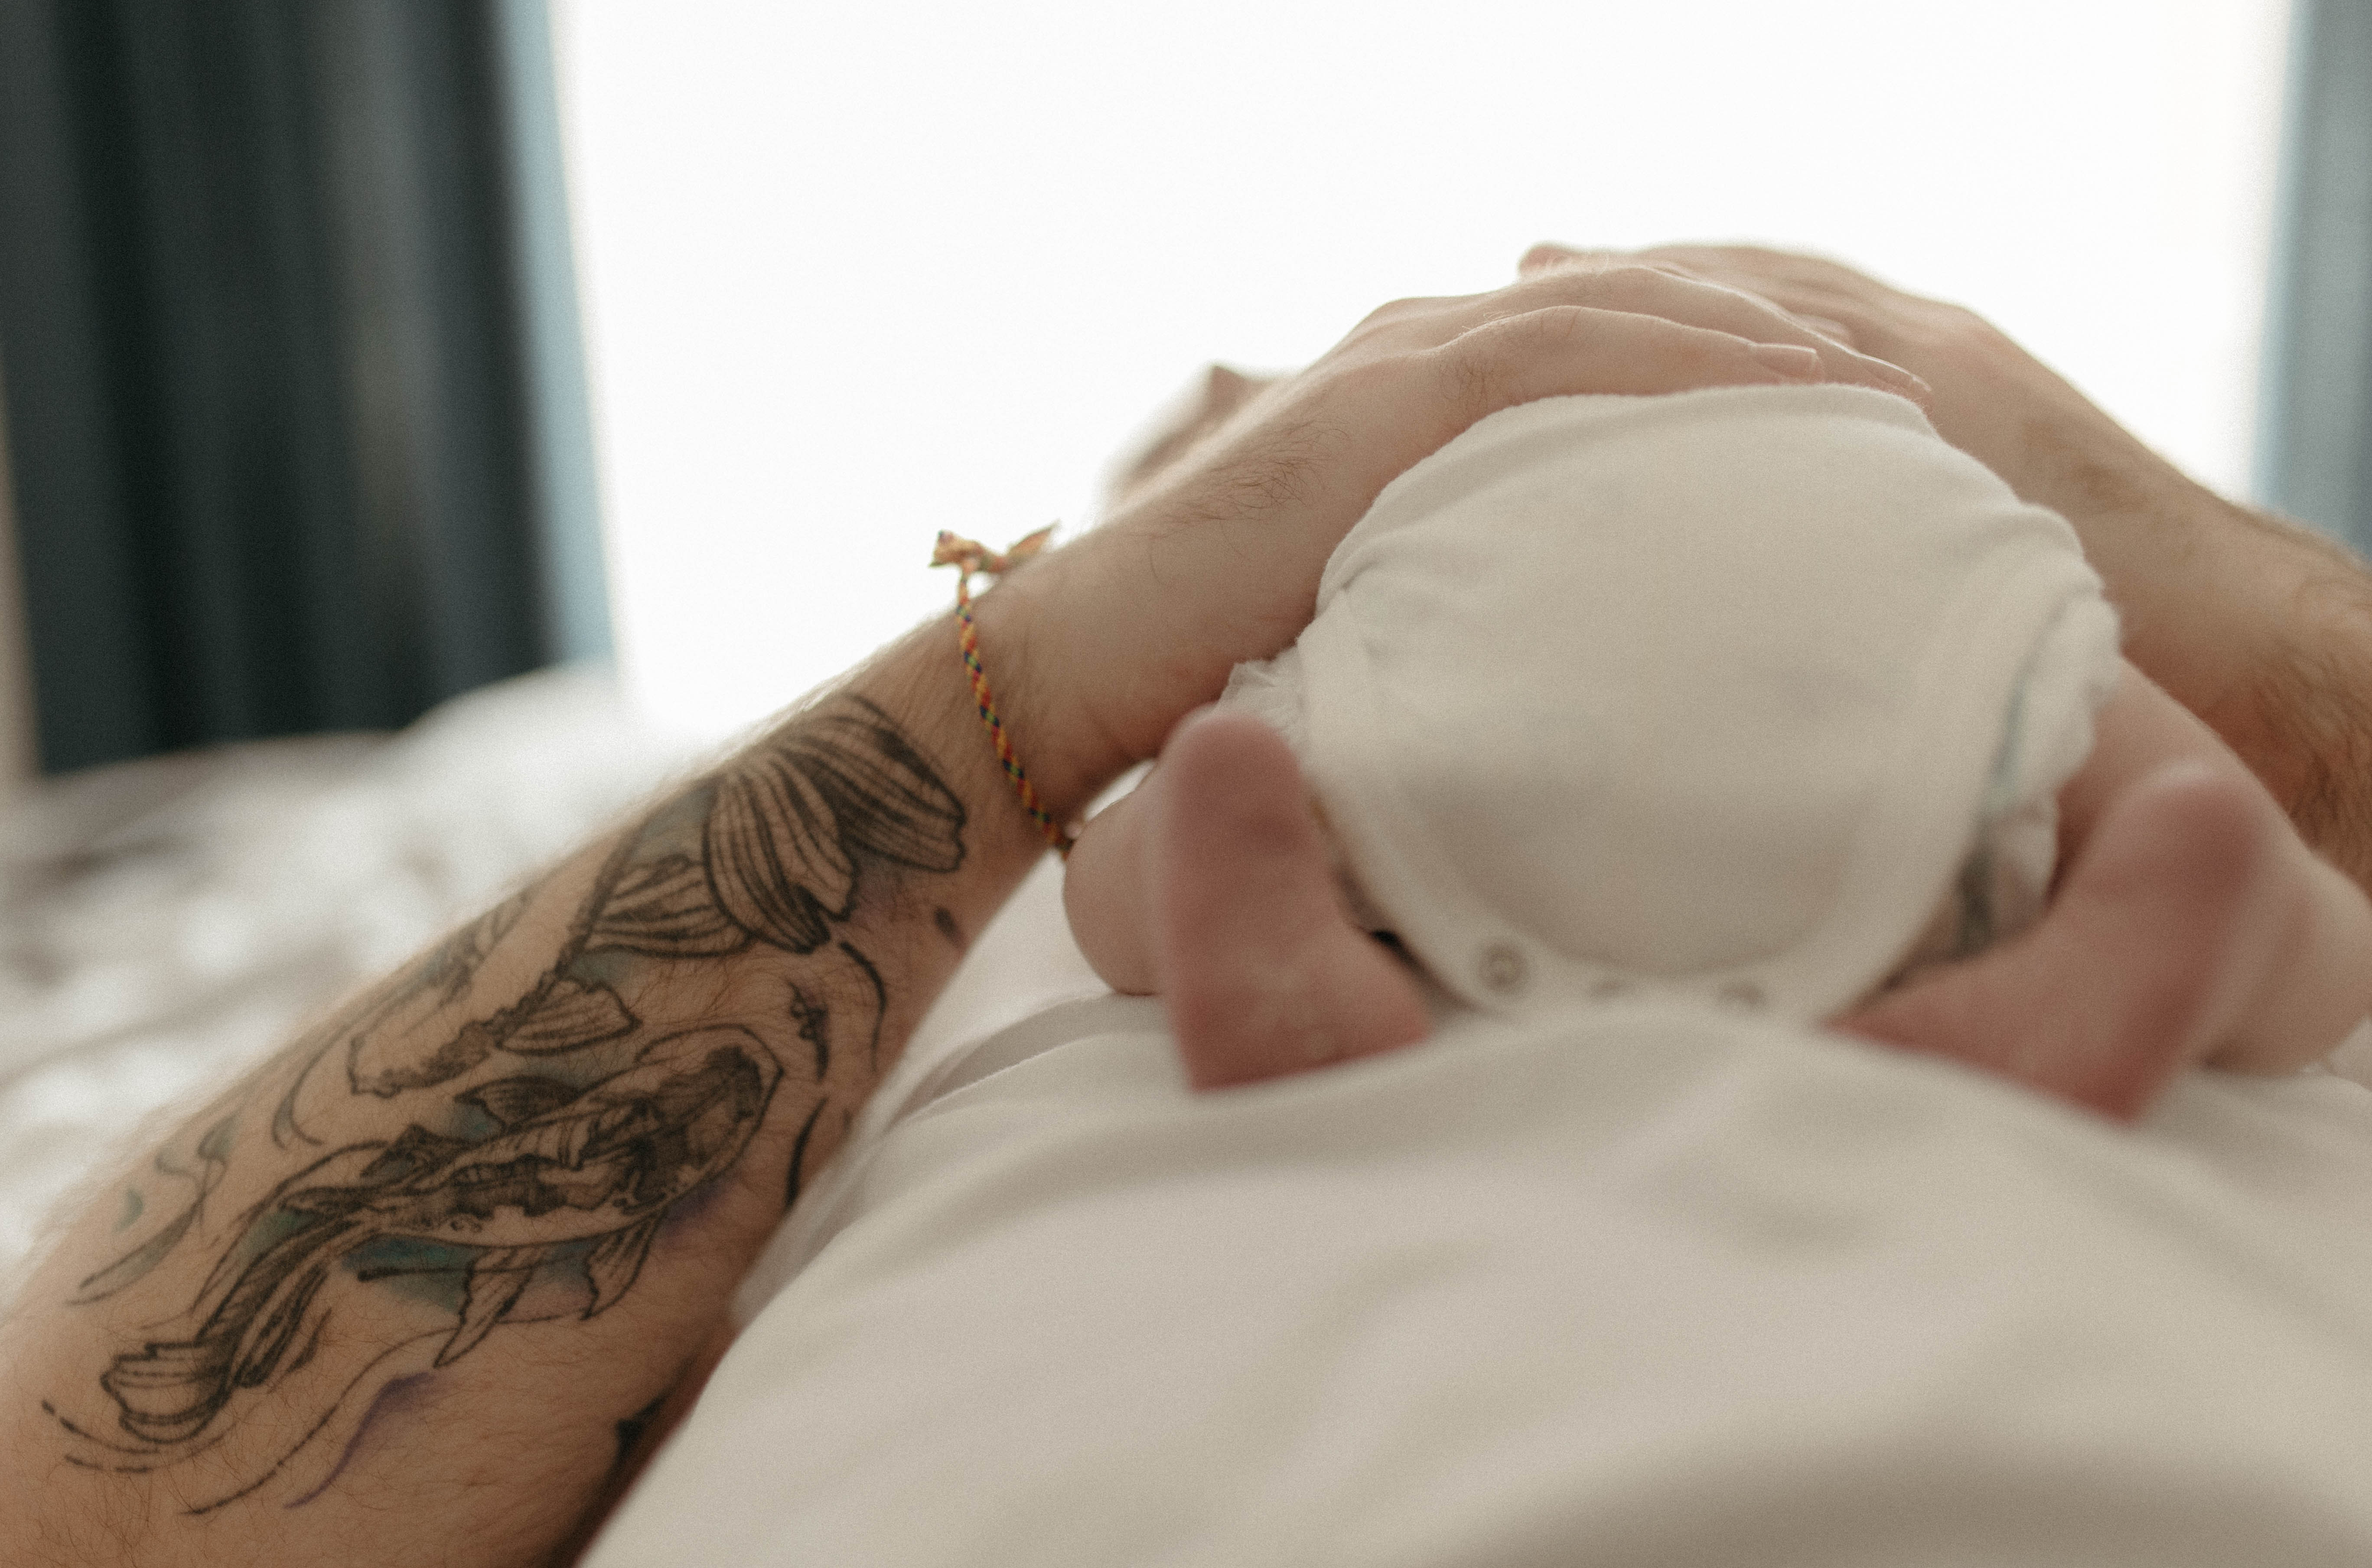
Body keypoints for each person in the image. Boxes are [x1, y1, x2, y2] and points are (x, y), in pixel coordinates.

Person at [3, 248, 2372, 1567]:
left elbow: (104, 1495)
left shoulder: (1094, 766)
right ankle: (2187, 892)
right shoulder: (1975, 565)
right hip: (2142, 1304)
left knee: (1245, 798)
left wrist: (1081, 688)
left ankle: (1244, 875)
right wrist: (2179, 612)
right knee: (2144, 814)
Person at [1060, 377, 2372, 1122]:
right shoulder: (1752, 359)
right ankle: (2235, 891)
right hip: (1900, 526)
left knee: (1141, 860)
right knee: (2093, 734)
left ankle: (1199, 844)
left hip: (1468, 596)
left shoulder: (1370, 430)